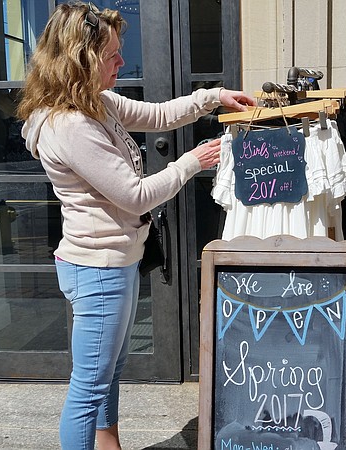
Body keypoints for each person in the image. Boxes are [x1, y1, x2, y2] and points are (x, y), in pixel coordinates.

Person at [16, 3, 255, 449]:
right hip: (99, 270)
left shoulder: (95, 103)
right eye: (111, 56)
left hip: (110, 263)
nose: (121, 63)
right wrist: (192, 162)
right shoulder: (70, 126)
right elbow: (135, 195)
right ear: (80, 59)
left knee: (105, 376)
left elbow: (159, 115)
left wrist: (213, 97)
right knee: (88, 388)